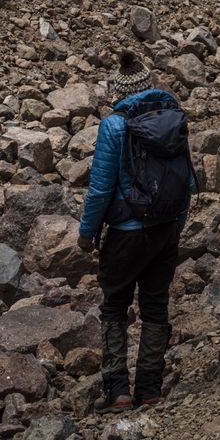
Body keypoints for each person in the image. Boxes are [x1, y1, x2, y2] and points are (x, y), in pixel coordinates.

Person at [78, 50, 196, 412]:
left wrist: (87, 232)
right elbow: (186, 178)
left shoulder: (115, 124)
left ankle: (118, 392)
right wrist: (175, 223)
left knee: (114, 307)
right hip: (164, 228)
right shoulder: (173, 118)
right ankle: (150, 388)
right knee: (155, 307)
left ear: (118, 89)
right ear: (148, 85)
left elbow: (100, 188)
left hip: (127, 231)